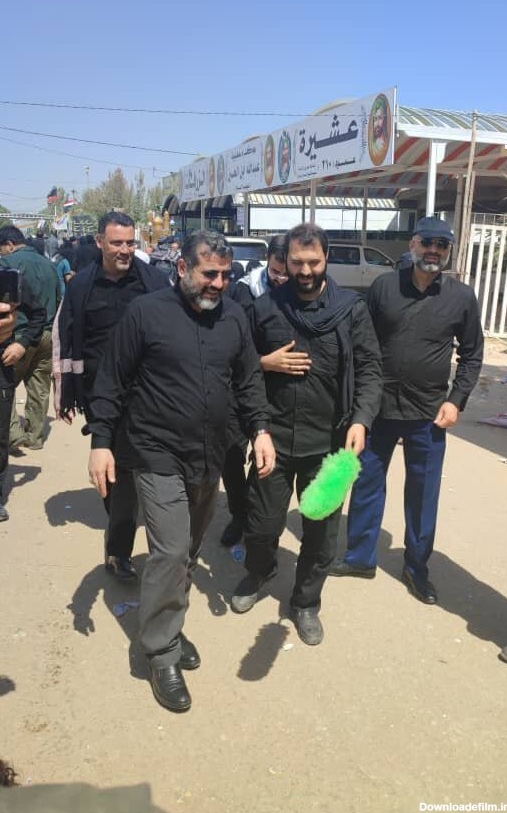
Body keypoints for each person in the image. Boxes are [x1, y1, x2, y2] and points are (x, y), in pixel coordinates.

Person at [87, 230, 275, 712]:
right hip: (156, 451)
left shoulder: (233, 316)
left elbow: (248, 379)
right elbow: (111, 380)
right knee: (170, 551)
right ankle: (160, 651)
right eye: (209, 274)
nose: (218, 284)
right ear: (182, 269)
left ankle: (170, 622)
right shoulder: (145, 313)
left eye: (225, 275)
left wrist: (260, 429)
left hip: (209, 454)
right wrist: (101, 443)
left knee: (187, 551)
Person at [231, 223, 382, 646]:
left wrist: (361, 419)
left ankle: (306, 602)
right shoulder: (266, 308)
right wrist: (264, 363)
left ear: (326, 258)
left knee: (321, 533)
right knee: (261, 526)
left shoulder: (351, 310)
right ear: (285, 260)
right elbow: (238, 364)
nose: (305, 270)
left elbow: (371, 369)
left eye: (313, 262)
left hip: (328, 444)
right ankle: (260, 571)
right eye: (297, 262)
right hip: (274, 440)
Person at [330, 216, 484, 605]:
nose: (433, 250)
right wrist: (357, 404)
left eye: (441, 245)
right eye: (427, 242)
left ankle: (416, 567)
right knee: (366, 483)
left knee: (422, 493)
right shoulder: (384, 287)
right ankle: (360, 557)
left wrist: (456, 400)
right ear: (413, 244)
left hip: (429, 413)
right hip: (379, 407)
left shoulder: (461, 297)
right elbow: (362, 343)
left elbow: (472, 354)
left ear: (449, 251)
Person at [53, 211, 169, 580]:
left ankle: (165, 554)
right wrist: (66, 393)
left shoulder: (155, 282)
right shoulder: (80, 287)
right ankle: (119, 552)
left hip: (149, 394)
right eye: (116, 242)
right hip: (101, 396)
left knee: (153, 468)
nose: (124, 250)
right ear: (100, 242)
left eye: (130, 243)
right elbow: (66, 338)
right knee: (115, 474)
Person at [220, 234, 288, 546]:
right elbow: (229, 344)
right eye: (276, 271)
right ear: (267, 263)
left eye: (286, 273)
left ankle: (253, 512)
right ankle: (238, 513)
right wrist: (264, 362)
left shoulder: (298, 294)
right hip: (239, 388)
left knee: (266, 456)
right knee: (232, 457)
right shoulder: (243, 292)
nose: (281, 279)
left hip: (277, 394)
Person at [0, 226, 61, 451]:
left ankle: (13, 436)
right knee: (39, 387)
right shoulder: (50, 265)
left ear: (9, 245)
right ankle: (34, 436)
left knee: (6, 386)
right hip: (47, 333)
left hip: (19, 335)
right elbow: (59, 297)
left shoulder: (7, 264)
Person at [0, 292, 46, 522]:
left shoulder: (6, 280)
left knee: (0, 436)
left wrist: (21, 344)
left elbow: (38, 313)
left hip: (1, 371)